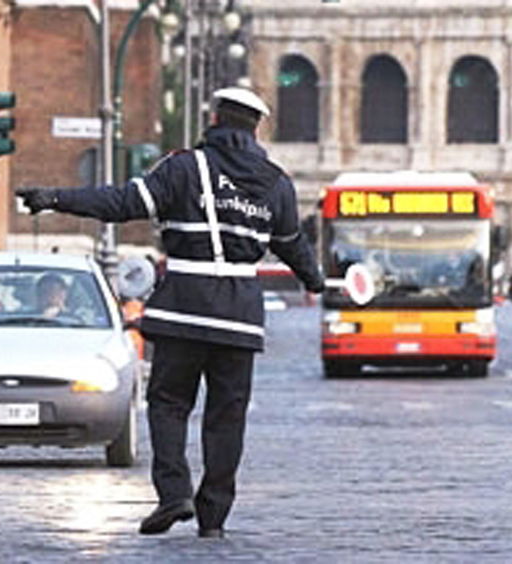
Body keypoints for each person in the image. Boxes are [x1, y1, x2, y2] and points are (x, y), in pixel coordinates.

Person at [17, 86, 324, 539]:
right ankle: (214, 519)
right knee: (227, 418)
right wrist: (314, 277)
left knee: (169, 403)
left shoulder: (184, 168)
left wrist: (54, 198)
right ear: (255, 128)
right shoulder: (276, 183)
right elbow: (291, 243)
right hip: (239, 318)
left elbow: (121, 204)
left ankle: (173, 492)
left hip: (183, 309)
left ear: (215, 119)